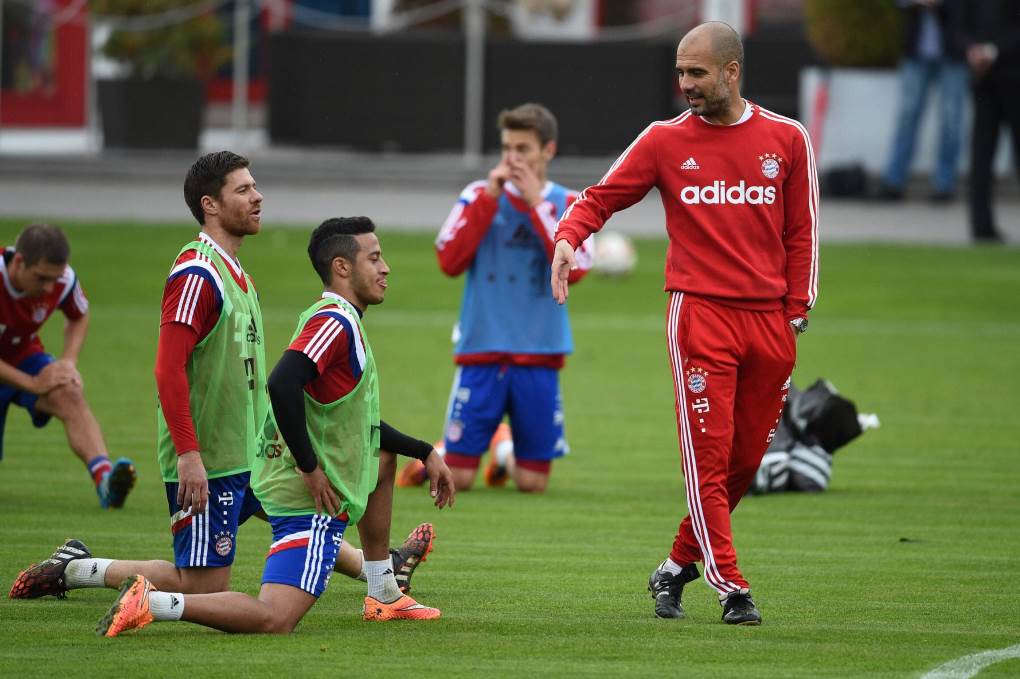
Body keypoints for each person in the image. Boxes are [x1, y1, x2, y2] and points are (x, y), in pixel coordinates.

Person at [9, 154, 443, 606]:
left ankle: (384, 576)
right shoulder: (197, 275)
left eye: (255, 187)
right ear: (210, 205)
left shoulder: (238, 276)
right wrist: (189, 454)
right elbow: (167, 367)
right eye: (243, 190)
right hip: (211, 460)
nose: (257, 197)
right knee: (201, 587)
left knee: (311, 509)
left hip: (250, 453)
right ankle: (77, 567)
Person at [551, 22, 818, 625]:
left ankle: (674, 567)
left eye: (696, 73)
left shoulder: (788, 139)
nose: (685, 84)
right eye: (680, 72)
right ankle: (732, 587)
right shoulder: (662, 141)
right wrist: (570, 237)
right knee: (706, 456)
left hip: (771, 322)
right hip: (700, 316)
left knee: (743, 464)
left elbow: (802, 231)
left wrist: (798, 307)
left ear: (731, 71)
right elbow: (599, 197)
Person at [95, 217, 455, 636]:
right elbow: (283, 381)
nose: (385, 267)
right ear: (342, 267)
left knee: (382, 457)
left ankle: (384, 594)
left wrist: (424, 451)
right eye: (374, 258)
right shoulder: (334, 322)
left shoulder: (341, 320)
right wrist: (310, 468)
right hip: (307, 500)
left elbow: (362, 425)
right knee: (275, 618)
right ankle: (152, 602)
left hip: (295, 483)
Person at [399, 103, 594, 494]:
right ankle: (456, 448)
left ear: (548, 151)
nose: (513, 158)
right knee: (462, 480)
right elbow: (449, 260)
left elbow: (579, 268)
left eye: (523, 149)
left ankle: (502, 444)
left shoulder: (571, 203)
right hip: (482, 348)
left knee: (532, 484)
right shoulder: (476, 194)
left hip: (539, 351)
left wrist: (537, 203)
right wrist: (490, 198)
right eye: (507, 148)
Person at [0, 223, 136, 509]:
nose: (49, 288)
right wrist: (32, 385)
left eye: (55, 278)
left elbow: (79, 315)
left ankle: (106, 481)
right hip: (18, 370)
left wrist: (68, 362)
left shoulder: (63, 281)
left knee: (68, 392)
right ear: (20, 261)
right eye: (41, 278)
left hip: (23, 356)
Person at [878, 0, 967, 202]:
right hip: (916, 52)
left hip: (953, 52)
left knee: (951, 120)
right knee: (907, 117)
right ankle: (894, 181)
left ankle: (945, 185)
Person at [952, 0, 1020, 243]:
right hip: (984, 82)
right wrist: (972, 50)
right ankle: (982, 225)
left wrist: (992, 51)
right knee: (981, 155)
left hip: (1014, 77)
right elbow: (958, 26)